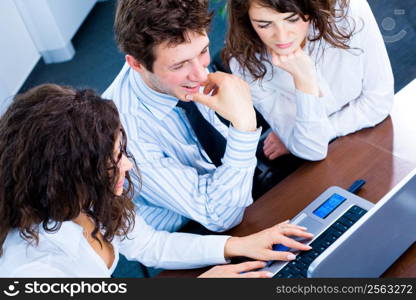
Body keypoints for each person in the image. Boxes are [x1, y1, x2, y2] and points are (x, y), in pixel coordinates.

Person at [0, 84, 313, 277]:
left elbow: (150, 244)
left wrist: (239, 245)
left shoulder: (88, 201)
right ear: (70, 176)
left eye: (122, 151)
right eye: (113, 160)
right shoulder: (33, 268)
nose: (127, 164)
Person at [103, 0, 262, 233]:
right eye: (179, 65)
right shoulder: (124, 134)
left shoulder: (183, 67)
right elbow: (218, 216)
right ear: (136, 64)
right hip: (191, 227)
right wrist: (245, 127)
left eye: (203, 51)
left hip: (229, 182)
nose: (199, 74)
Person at [224, 0, 394, 161]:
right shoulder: (245, 63)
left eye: (292, 19)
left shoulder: (348, 9)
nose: (282, 37)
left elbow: (379, 101)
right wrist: (304, 80)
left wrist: (307, 134)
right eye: (264, 24)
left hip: (379, 139)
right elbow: (311, 149)